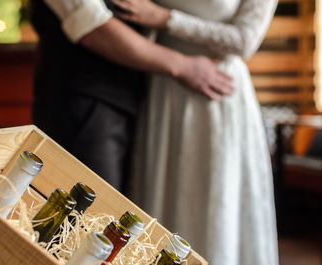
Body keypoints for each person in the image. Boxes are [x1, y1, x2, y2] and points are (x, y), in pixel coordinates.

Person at [114, 0, 279, 264]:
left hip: (217, 93)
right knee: (164, 204)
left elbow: (245, 40)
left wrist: (166, 19)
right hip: (163, 90)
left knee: (216, 211)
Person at [29, 0, 233, 192]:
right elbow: (91, 25)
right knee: (93, 212)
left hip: (145, 105)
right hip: (85, 106)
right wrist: (183, 66)